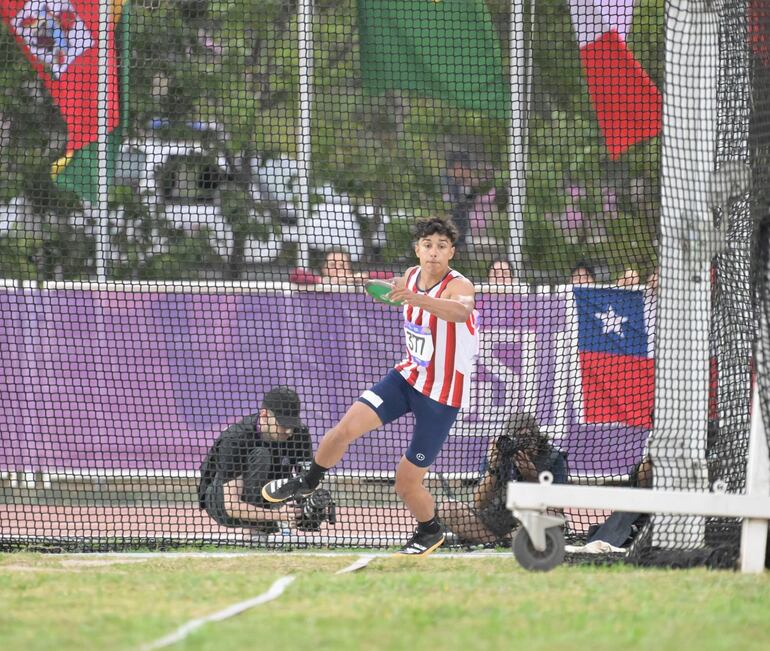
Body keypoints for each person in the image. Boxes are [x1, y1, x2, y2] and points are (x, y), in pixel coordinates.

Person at [262, 216, 479, 556]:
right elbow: (390, 285)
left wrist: (415, 298)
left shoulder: (459, 285)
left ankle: (430, 531)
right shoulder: (409, 276)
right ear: (417, 249)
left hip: (441, 396)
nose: (434, 252)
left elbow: (460, 313)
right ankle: (308, 482)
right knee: (341, 431)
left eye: (441, 246)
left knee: (406, 483)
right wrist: (361, 280)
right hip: (406, 378)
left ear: (451, 252)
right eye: (427, 245)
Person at [198, 387, 333, 536]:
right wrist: (280, 515)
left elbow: (305, 479)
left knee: (304, 485)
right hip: (221, 503)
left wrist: (310, 505)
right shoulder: (235, 439)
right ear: (264, 414)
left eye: (292, 425)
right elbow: (232, 506)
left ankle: (271, 523)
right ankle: (255, 531)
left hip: (267, 493)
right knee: (261, 454)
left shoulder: (299, 433)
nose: (289, 432)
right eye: (283, 424)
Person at [440, 413, 568, 546]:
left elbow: (556, 506)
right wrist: (493, 469)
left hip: (531, 517)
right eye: (519, 439)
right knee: (448, 508)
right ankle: (497, 543)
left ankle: (506, 542)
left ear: (537, 438)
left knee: (553, 518)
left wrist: (532, 477)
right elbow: (479, 504)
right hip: (498, 517)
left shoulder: (553, 456)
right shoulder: (500, 452)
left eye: (527, 439)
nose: (523, 445)